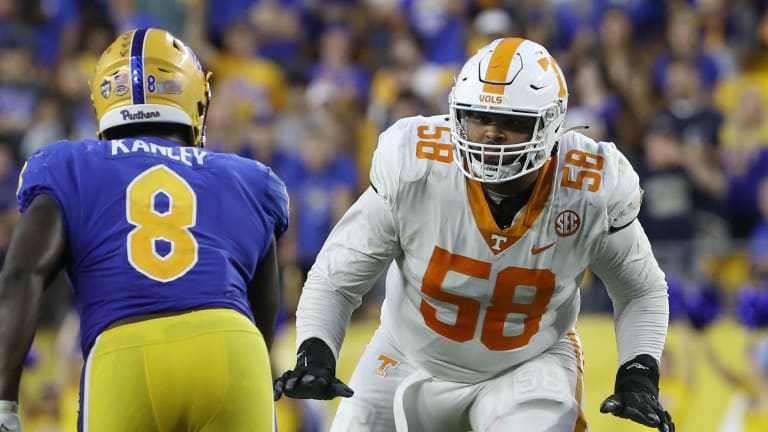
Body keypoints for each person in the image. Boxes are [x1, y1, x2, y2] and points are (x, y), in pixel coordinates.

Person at [274, 37, 675, 432]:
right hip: (409, 355)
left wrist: (639, 370)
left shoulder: (588, 185)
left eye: (512, 122)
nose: (491, 134)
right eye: (479, 117)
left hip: (527, 366)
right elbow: (336, 277)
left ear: (551, 123)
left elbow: (640, 289)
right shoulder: (417, 165)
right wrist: (317, 349)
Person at [0, 28, 289, 432]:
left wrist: (4, 401)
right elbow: (263, 307)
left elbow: (21, 274)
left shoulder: (69, 163)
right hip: (232, 346)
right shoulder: (247, 177)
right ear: (194, 98)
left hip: (126, 348)